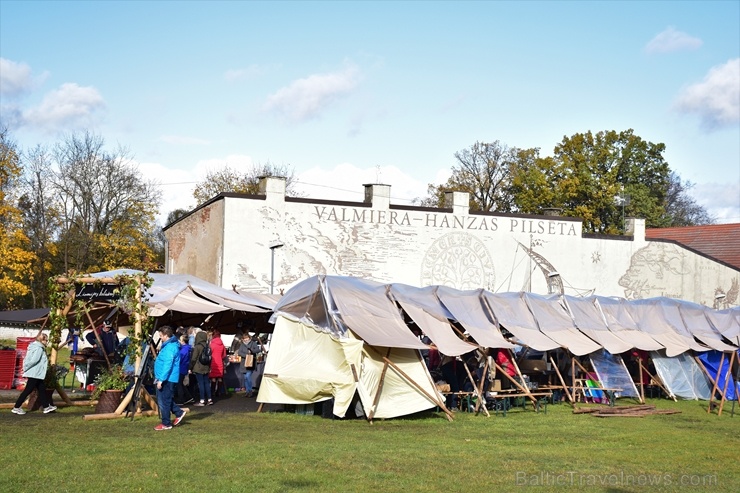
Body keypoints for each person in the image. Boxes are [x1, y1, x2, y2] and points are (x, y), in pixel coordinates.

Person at [12, 333, 57, 415]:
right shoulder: (39, 349)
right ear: (41, 340)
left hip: (36, 373)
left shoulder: (34, 346)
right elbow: (34, 360)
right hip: (35, 373)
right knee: (28, 390)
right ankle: (16, 407)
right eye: (46, 340)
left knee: (42, 389)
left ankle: (46, 407)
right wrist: (26, 367)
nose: (47, 342)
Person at [153, 326, 186, 431]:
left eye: (161, 336)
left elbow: (168, 364)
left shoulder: (170, 347)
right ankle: (178, 412)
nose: (160, 338)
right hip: (165, 377)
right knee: (164, 399)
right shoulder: (168, 346)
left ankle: (166, 423)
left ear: (166, 335)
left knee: (164, 401)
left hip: (167, 378)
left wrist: (161, 380)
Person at [189, 330, 212, 406]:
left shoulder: (197, 347)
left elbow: (193, 358)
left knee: (201, 383)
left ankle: (202, 400)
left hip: (198, 367)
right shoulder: (208, 346)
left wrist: (190, 368)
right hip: (206, 367)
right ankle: (209, 399)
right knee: (207, 383)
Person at [237, 333, 262, 397]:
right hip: (243, 363)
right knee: (245, 378)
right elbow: (239, 352)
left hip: (251, 363)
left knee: (248, 376)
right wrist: (246, 355)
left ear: (249, 338)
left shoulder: (253, 343)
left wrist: (252, 351)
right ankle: (247, 391)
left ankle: (250, 391)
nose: (246, 339)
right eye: (245, 338)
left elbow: (258, 350)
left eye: (247, 338)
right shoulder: (242, 345)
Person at [176, 334, 194, 405]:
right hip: (184, 368)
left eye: (180, 340)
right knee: (180, 384)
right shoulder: (187, 349)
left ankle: (181, 399)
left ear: (183, 341)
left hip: (181, 368)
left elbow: (179, 359)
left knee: (179, 384)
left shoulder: (183, 350)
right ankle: (189, 397)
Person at [208, 330, 227, 398]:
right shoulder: (222, 345)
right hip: (220, 362)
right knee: (220, 378)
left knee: (213, 378)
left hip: (213, 362)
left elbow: (209, 353)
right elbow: (224, 355)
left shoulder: (212, 344)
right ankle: (218, 392)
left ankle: (212, 392)